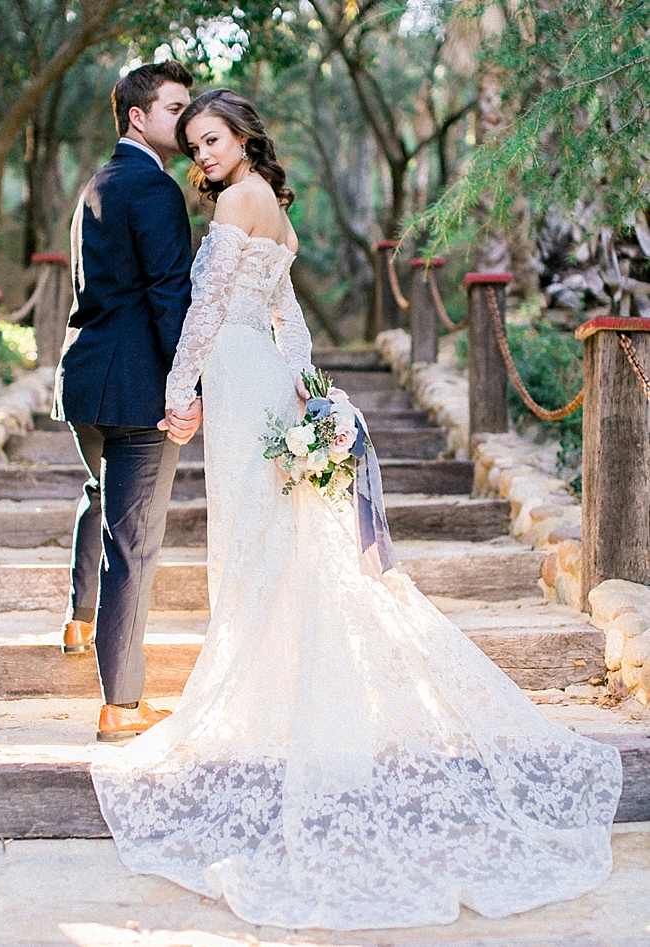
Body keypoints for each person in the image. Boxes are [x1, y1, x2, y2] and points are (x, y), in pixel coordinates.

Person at [91, 89, 622, 930]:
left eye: (214, 138)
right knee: (279, 543)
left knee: (253, 542)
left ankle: (264, 705)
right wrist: (306, 397)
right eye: (194, 144)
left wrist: (179, 389)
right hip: (264, 377)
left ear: (242, 138)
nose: (204, 156)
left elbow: (204, 308)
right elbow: (289, 319)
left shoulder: (236, 201)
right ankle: (282, 696)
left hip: (232, 375)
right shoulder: (273, 207)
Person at [52, 62, 202, 742]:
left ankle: (80, 617)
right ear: (139, 117)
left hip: (83, 382)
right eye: (176, 107)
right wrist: (187, 390)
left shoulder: (98, 183)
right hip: (139, 391)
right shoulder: (158, 189)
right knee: (133, 544)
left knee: (99, 492)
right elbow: (171, 297)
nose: (190, 120)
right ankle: (123, 703)